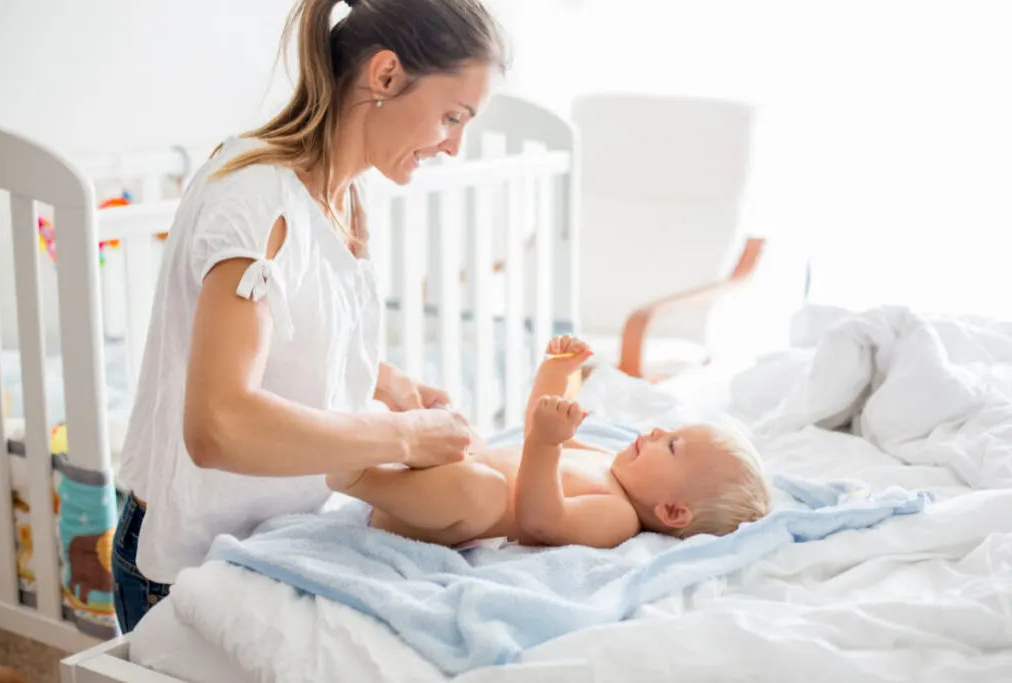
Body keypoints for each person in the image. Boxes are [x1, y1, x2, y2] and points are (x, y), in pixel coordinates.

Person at [112, 0, 507, 633]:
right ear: (384, 76)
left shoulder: (342, 195)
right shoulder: (254, 200)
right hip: (187, 560)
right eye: (452, 116)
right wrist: (403, 438)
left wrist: (389, 384)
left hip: (270, 541)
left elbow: (294, 326)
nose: (455, 145)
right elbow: (218, 426)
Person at [330, 336, 773, 548]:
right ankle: (395, 421)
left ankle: (358, 478)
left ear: (672, 512)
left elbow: (541, 519)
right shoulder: (605, 461)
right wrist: (557, 373)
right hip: (443, 476)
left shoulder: (617, 516)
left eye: (672, 446)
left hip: (431, 515)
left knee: (482, 492)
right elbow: (536, 425)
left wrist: (546, 444)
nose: (657, 432)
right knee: (463, 432)